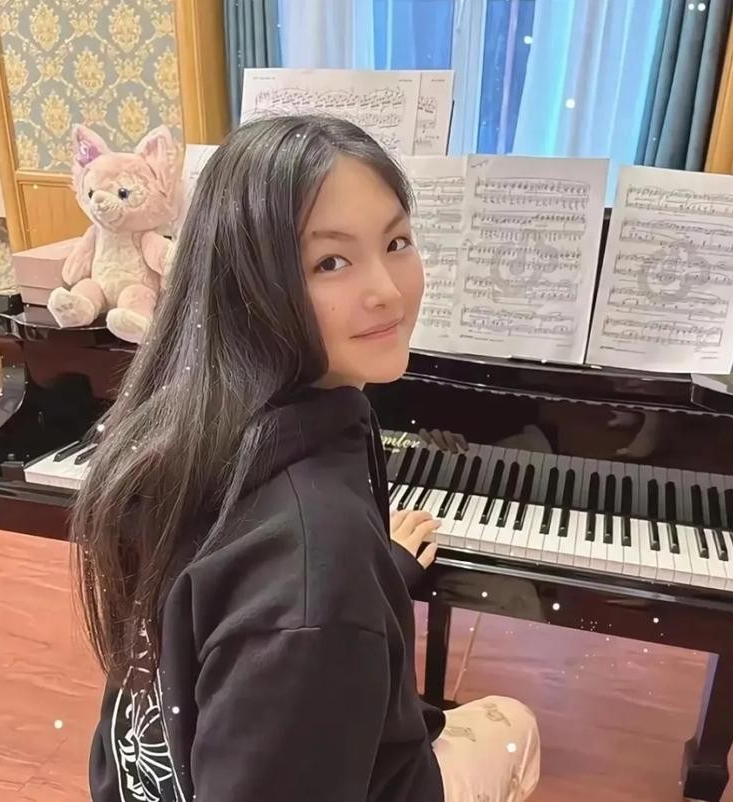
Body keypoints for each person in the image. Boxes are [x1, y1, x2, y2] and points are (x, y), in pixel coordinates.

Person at [72, 114, 540, 802]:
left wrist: (373, 577)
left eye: (397, 242)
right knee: (515, 724)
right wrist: (340, 594)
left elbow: (240, 608)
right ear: (247, 284)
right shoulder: (314, 567)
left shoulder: (179, 421)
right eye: (331, 262)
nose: (387, 290)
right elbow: (296, 602)